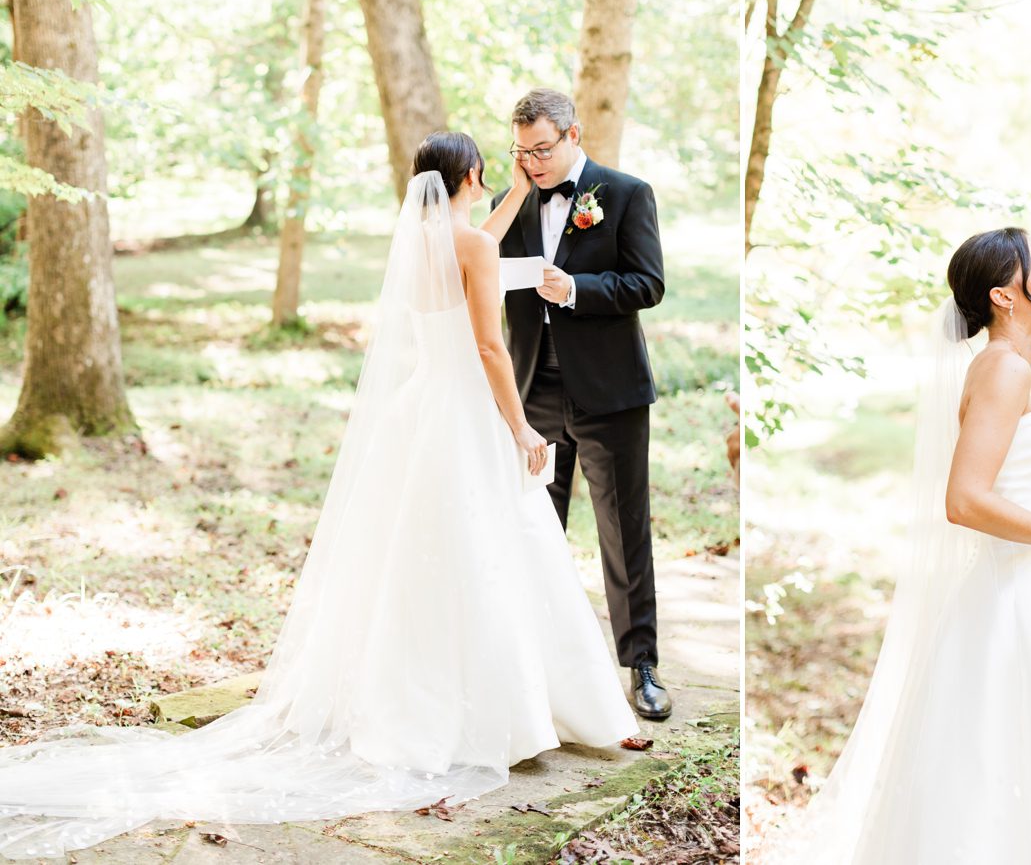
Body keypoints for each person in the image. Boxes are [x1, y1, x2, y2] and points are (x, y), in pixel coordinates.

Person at [0, 133, 635, 859]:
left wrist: (517, 196)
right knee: (491, 547)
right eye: (489, 174)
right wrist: (521, 426)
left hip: (419, 409)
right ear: (470, 176)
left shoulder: (424, 242)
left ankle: (414, 704)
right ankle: (510, 711)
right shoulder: (472, 247)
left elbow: (475, 248)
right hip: (463, 414)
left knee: (417, 558)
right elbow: (491, 346)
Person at [783, 228, 1031, 864]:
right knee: (1004, 751)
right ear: (1004, 295)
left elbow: (1009, 487)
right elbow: (964, 501)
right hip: (1010, 595)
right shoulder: (1000, 370)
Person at [490, 89, 670, 720]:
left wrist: (577, 289)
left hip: (610, 391)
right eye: (522, 151)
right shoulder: (505, 205)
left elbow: (648, 283)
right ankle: (533, 664)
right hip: (531, 387)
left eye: (542, 148)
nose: (533, 162)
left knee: (624, 529)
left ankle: (640, 665)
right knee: (533, 523)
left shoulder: (625, 194)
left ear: (573, 135)